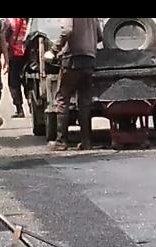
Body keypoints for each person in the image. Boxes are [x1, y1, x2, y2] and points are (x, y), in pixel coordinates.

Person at [49, 18, 101, 151]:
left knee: (63, 99)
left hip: (72, 60)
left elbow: (67, 30)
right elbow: (100, 35)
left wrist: (54, 50)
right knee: (84, 102)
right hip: (90, 60)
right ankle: (86, 141)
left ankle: (61, 141)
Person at [3, 17, 29, 118]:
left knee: (13, 83)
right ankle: (32, 102)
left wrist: (4, 58)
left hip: (15, 54)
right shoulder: (28, 21)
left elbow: (4, 40)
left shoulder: (9, 22)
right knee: (27, 80)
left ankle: (19, 109)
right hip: (28, 54)